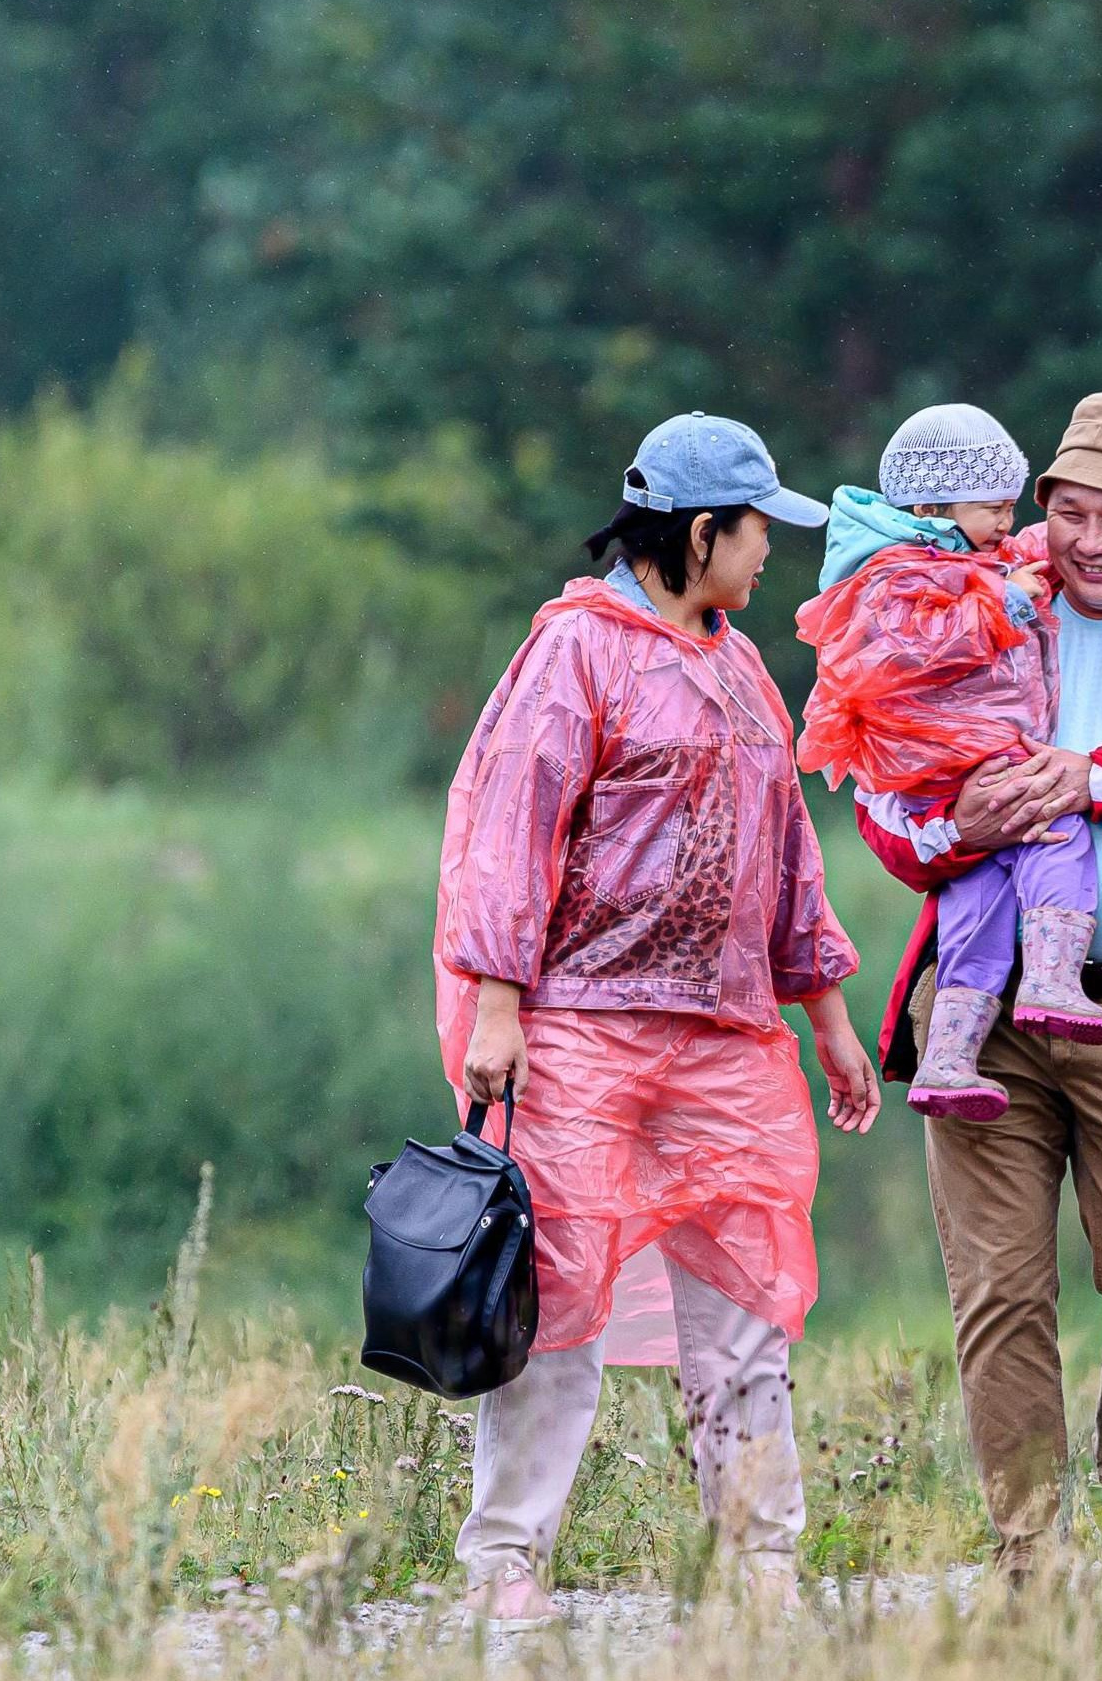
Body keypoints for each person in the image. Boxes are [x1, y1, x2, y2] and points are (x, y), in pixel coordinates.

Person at [434, 411, 884, 1626]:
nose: (767, 556)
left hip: (727, 1032)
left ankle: (759, 1562)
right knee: (559, 1298)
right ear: (699, 533)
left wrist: (825, 1013)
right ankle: (503, 1563)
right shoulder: (574, 653)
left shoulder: (740, 665)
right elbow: (511, 829)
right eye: (756, 534)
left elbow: (790, 854)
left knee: (744, 1299)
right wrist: (497, 1002)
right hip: (580, 1023)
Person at [849, 393, 1102, 1575]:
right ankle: (1030, 1545)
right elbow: (883, 779)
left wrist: (1096, 781)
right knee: (1001, 1292)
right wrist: (949, 825)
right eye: (1067, 511)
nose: (1088, 540)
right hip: (982, 1017)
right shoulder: (977, 601)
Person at [797, 404, 1102, 1123]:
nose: (1006, 524)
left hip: (958, 772)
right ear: (931, 505)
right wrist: (1003, 604)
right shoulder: (892, 574)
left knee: (974, 902)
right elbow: (906, 648)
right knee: (1056, 832)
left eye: (1012, 507)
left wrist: (1084, 525)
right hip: (953, 759)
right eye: (993, 508)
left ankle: (949, 1060)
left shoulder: (973, 557)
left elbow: (1029, 551)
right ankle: (1050, 977)